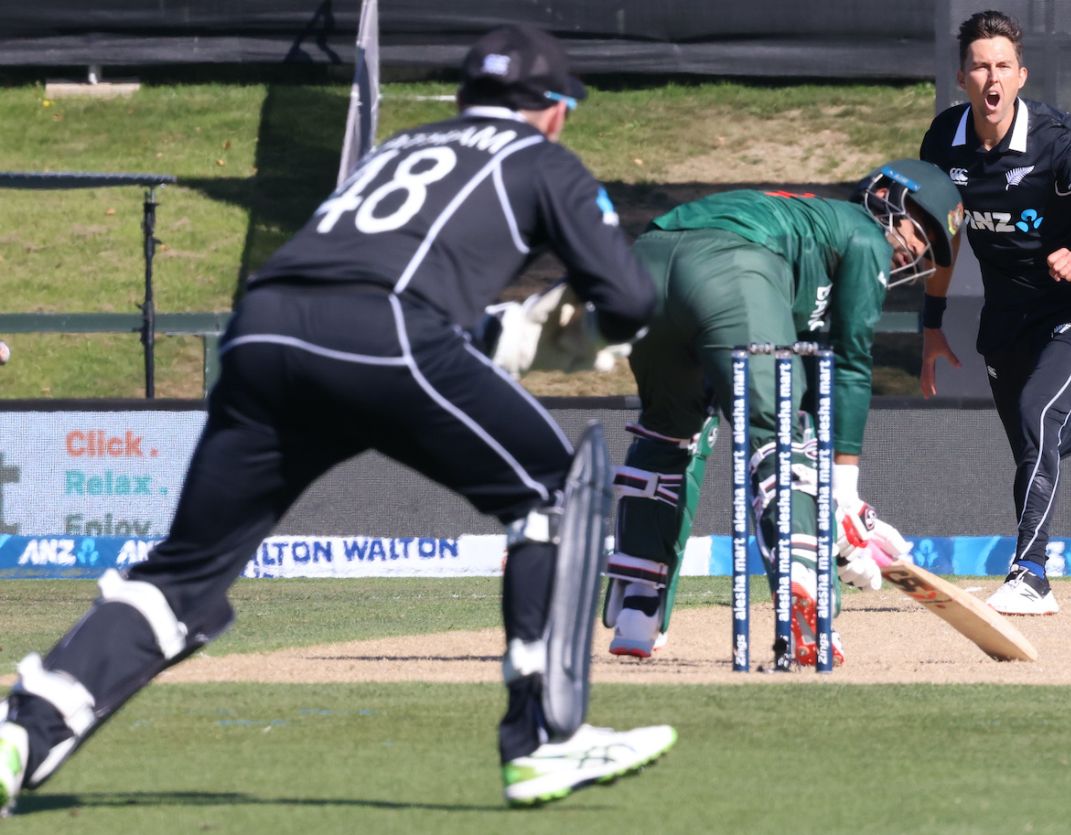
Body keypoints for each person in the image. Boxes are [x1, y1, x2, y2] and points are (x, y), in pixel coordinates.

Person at [0, 24, 675, 816]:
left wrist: (498, 335)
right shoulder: (539, 158)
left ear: (462, 98)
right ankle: (546, 738)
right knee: (557, 490)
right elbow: (630, 300)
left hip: (262, 329)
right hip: (384, 332)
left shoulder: (398, 147)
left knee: (182, 574)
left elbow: (363, 272)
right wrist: (575, 333)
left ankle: (23, 728)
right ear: (556, 111)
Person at [601, 161, 964, 665]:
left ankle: (637, 614)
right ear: (886, 196)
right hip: (734, 264)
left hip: (644, 263)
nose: (916, 249)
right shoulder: (863, 234)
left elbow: (817, 387)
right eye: (918, 228)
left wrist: (845, 523)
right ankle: (806, 607)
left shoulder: (812, 241)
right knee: (776, 437)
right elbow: (851, 363)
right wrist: (844, 492)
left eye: (928, 246)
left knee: (670, 430)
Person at [919, 9, 1071, 616]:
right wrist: (931, 326)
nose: (993, 77)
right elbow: (947, 237)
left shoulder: (1057, 137)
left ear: (1021, 76)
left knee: (1037, 413)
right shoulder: (943, 140)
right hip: (1005, 321)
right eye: (981, 65)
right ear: (962, 76)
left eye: (1004, 66)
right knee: (1031, 441)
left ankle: (1031, 575)